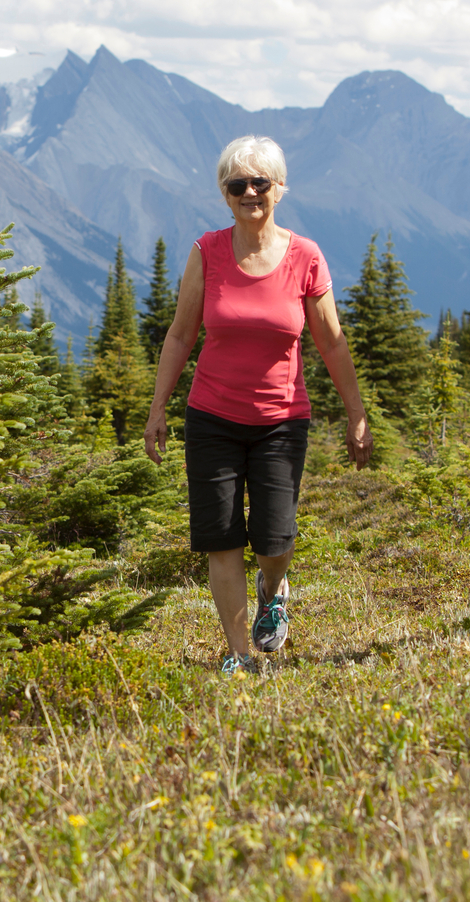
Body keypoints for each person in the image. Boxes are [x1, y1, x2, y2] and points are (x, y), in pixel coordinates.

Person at [144, 135, 373, 676]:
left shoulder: (305, 257)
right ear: (224, 195)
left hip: (281, 421)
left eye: (260, 183)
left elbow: (332, 341)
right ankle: (240, 653)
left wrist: (356, 414)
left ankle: (275, 587)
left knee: (274, 536)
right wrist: (158, 409)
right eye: (237, 185)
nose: (249, 192)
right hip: (212, 418)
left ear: (279, 189)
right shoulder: (207, 252)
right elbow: (180, 336)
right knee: (220, 537)